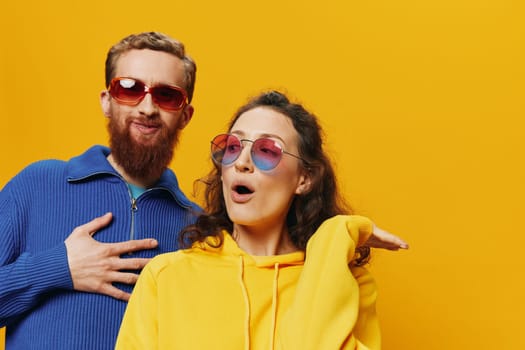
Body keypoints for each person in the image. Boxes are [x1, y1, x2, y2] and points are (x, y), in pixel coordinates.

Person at [115, 91, 409, 350]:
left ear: (304, 178)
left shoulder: (348, 284)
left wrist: (334, 236)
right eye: (232, 147)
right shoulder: (167, 277)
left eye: (267, 151)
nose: (241, 162)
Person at [0, 32, 200, 349]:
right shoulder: (36, 185)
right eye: (130, 89)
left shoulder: (198, 228)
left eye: (166, 95)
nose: (147, 107)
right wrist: (58, 267)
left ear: (185, 116)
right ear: (107, 102)